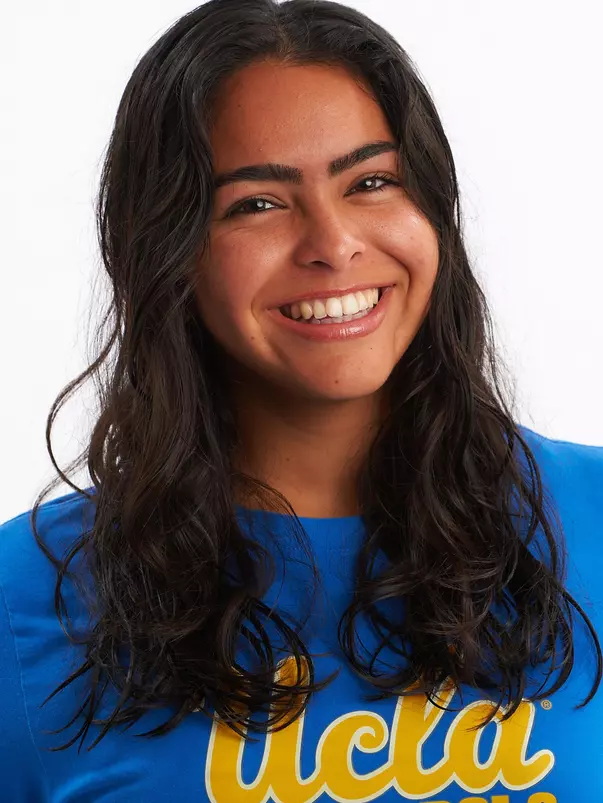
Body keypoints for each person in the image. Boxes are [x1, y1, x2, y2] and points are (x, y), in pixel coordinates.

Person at [1, 0, 602, 800]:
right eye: (256, 202)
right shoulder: (22, 596)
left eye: (372, 181)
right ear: (169, 250)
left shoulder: (591, 514)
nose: (332, 244)